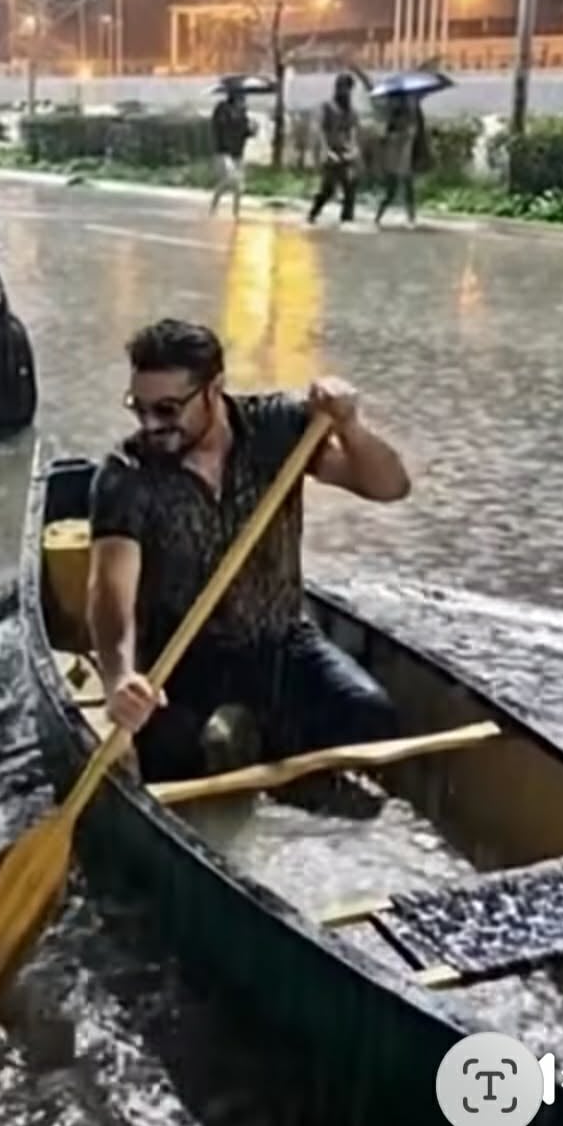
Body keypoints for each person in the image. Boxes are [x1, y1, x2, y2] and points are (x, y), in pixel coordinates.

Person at [86, 318, 411, 784]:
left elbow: (390, 487)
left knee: (370, 716)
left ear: (213, 389)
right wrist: (119, 676)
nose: (152, 424)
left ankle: (306, 793)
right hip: (183, 661)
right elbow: (109, 592)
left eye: (168, 409)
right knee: (168, 757)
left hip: (282, 641)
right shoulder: (125, 475)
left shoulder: (277, 427)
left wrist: (350, 426)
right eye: (140, 408)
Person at [307, 73, 360, 225]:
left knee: (350, 187)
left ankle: (347, 221)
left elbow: (353, 132)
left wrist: (353, 149)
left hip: (346, 153)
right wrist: (325, 151)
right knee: (327, 189)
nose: (346, 92)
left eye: (348, 89)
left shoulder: (351, 111)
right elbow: (319, 130)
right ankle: (313, 214)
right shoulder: (328, 107)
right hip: (331, 152)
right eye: (343, 88)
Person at [374, 91, 430, 229]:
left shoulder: (413, 115)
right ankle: (379, 216)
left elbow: (417, 135)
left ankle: (410, 218)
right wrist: (404, 134)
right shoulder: (397, 118)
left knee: (406, 189)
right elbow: (386, 137)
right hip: (396, 157)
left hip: (405, 157)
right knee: (392, 191)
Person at [208, 85, 251, 220]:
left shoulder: (243, 114)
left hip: (238, 152)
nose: (243, 102)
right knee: (230, 179)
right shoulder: (222, 109)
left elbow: (245, 132)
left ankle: (236, 212)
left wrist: (251, 130)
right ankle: (214, 206)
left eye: (243, 99)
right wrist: (232, 117)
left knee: (239, 185)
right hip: (224, 151)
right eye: (241, 99)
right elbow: (218, 126)